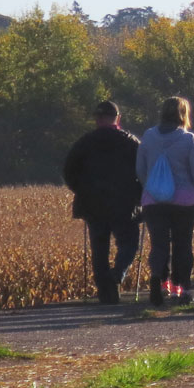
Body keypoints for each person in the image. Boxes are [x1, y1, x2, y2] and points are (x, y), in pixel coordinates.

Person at [63, 101, 142, 304]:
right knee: (129, 243)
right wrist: (140, 195)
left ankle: (105, 293)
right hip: (124, 203)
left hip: (92, 203)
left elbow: (69, 171)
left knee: (99, 249)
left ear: (97, 119)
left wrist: (81, 190)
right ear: (118, 118)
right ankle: (116, 274)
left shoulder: (84, 143)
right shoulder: (131, 142)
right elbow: (144, 171)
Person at [136, 97, 194, 307]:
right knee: (182, 243)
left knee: (159, 243)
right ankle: (181, 287)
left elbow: (140, 168)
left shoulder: (148, 136)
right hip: (184, 199)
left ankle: (158, 277)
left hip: (154, 200)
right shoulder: (188, 138)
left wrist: (152, 187)